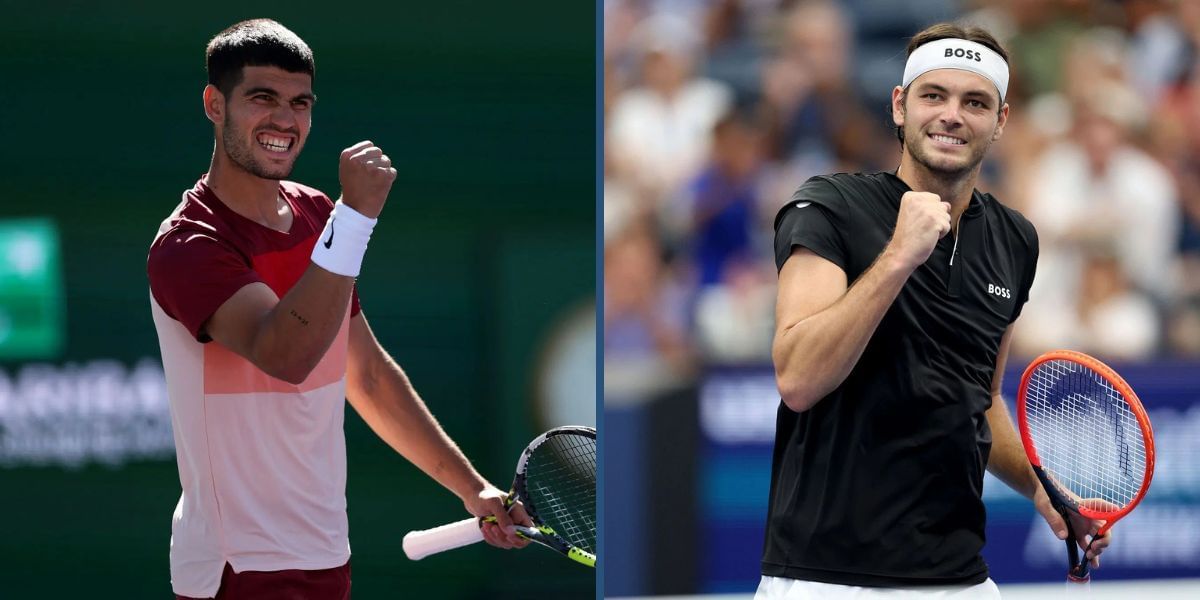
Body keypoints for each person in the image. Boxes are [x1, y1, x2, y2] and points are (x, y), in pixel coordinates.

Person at [146, 19, 528, 600]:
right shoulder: (188, 246)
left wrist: (474, 490)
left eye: (300, 103)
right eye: (262, 99)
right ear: (213, 104)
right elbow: (287, 354)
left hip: (326, 557)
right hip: (237, 570)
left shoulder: (317, 216)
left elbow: (367, 376)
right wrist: (355, 220)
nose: (285, 120)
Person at [762, 23, 1113, 598]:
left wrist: (1041, 487)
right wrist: (899, 255)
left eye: (975, 102)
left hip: (959, 578)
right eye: (934, 96)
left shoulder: (1015, 239)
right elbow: (798, 378)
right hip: (824, 578)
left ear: (1000, 122)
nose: (952, 115)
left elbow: (982, 396)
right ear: (900, 107)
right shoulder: (828, 208)